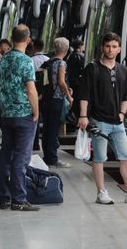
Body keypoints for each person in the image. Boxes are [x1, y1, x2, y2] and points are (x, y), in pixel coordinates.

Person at [78, 32, 127, 204]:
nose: (111, 50)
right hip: (99, 120)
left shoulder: (124, 71)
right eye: (108, 46)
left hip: (118, 122)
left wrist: (122, 114)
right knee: (99, 158)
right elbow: (84, 94)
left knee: (126, 157)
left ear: (119, 49)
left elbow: (126, 96)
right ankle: (101, 192)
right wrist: (83, 116)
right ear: (102, 47)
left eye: (114, 47)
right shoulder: (92, 68)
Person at [0, 25, 40, 211]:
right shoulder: (27, 61)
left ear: (11, 39)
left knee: (6, 154)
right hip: (23, 114)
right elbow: (30, 89)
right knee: (21, 157)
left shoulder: (4, 59)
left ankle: (4, 198)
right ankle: (19, 199)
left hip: (6, 113)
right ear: (28, 40)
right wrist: (36, 110)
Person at [41, 37, 73, 168]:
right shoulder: (62, 63)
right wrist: (69, 96)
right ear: (66, 49)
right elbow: (61, 81)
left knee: (47, 128)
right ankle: (53, 158)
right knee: (54, 129)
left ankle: (47, 156)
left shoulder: (48, 62)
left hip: (46, 98)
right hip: (56, 99)